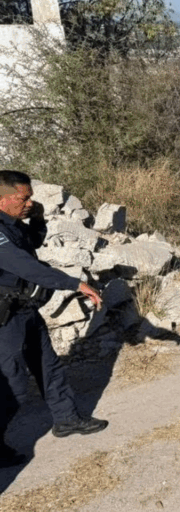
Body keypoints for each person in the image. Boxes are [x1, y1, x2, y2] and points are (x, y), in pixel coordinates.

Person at [1, 171, 108, 468]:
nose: (29, 202)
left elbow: (31, 243)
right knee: (12, 382)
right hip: (4, 320)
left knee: (49, 366)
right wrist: (75, 283)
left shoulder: (11, 223)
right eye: (24, 198)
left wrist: (36, 218)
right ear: (3, 198)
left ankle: (67, 419)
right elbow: (26, 266)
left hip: (24, 308)